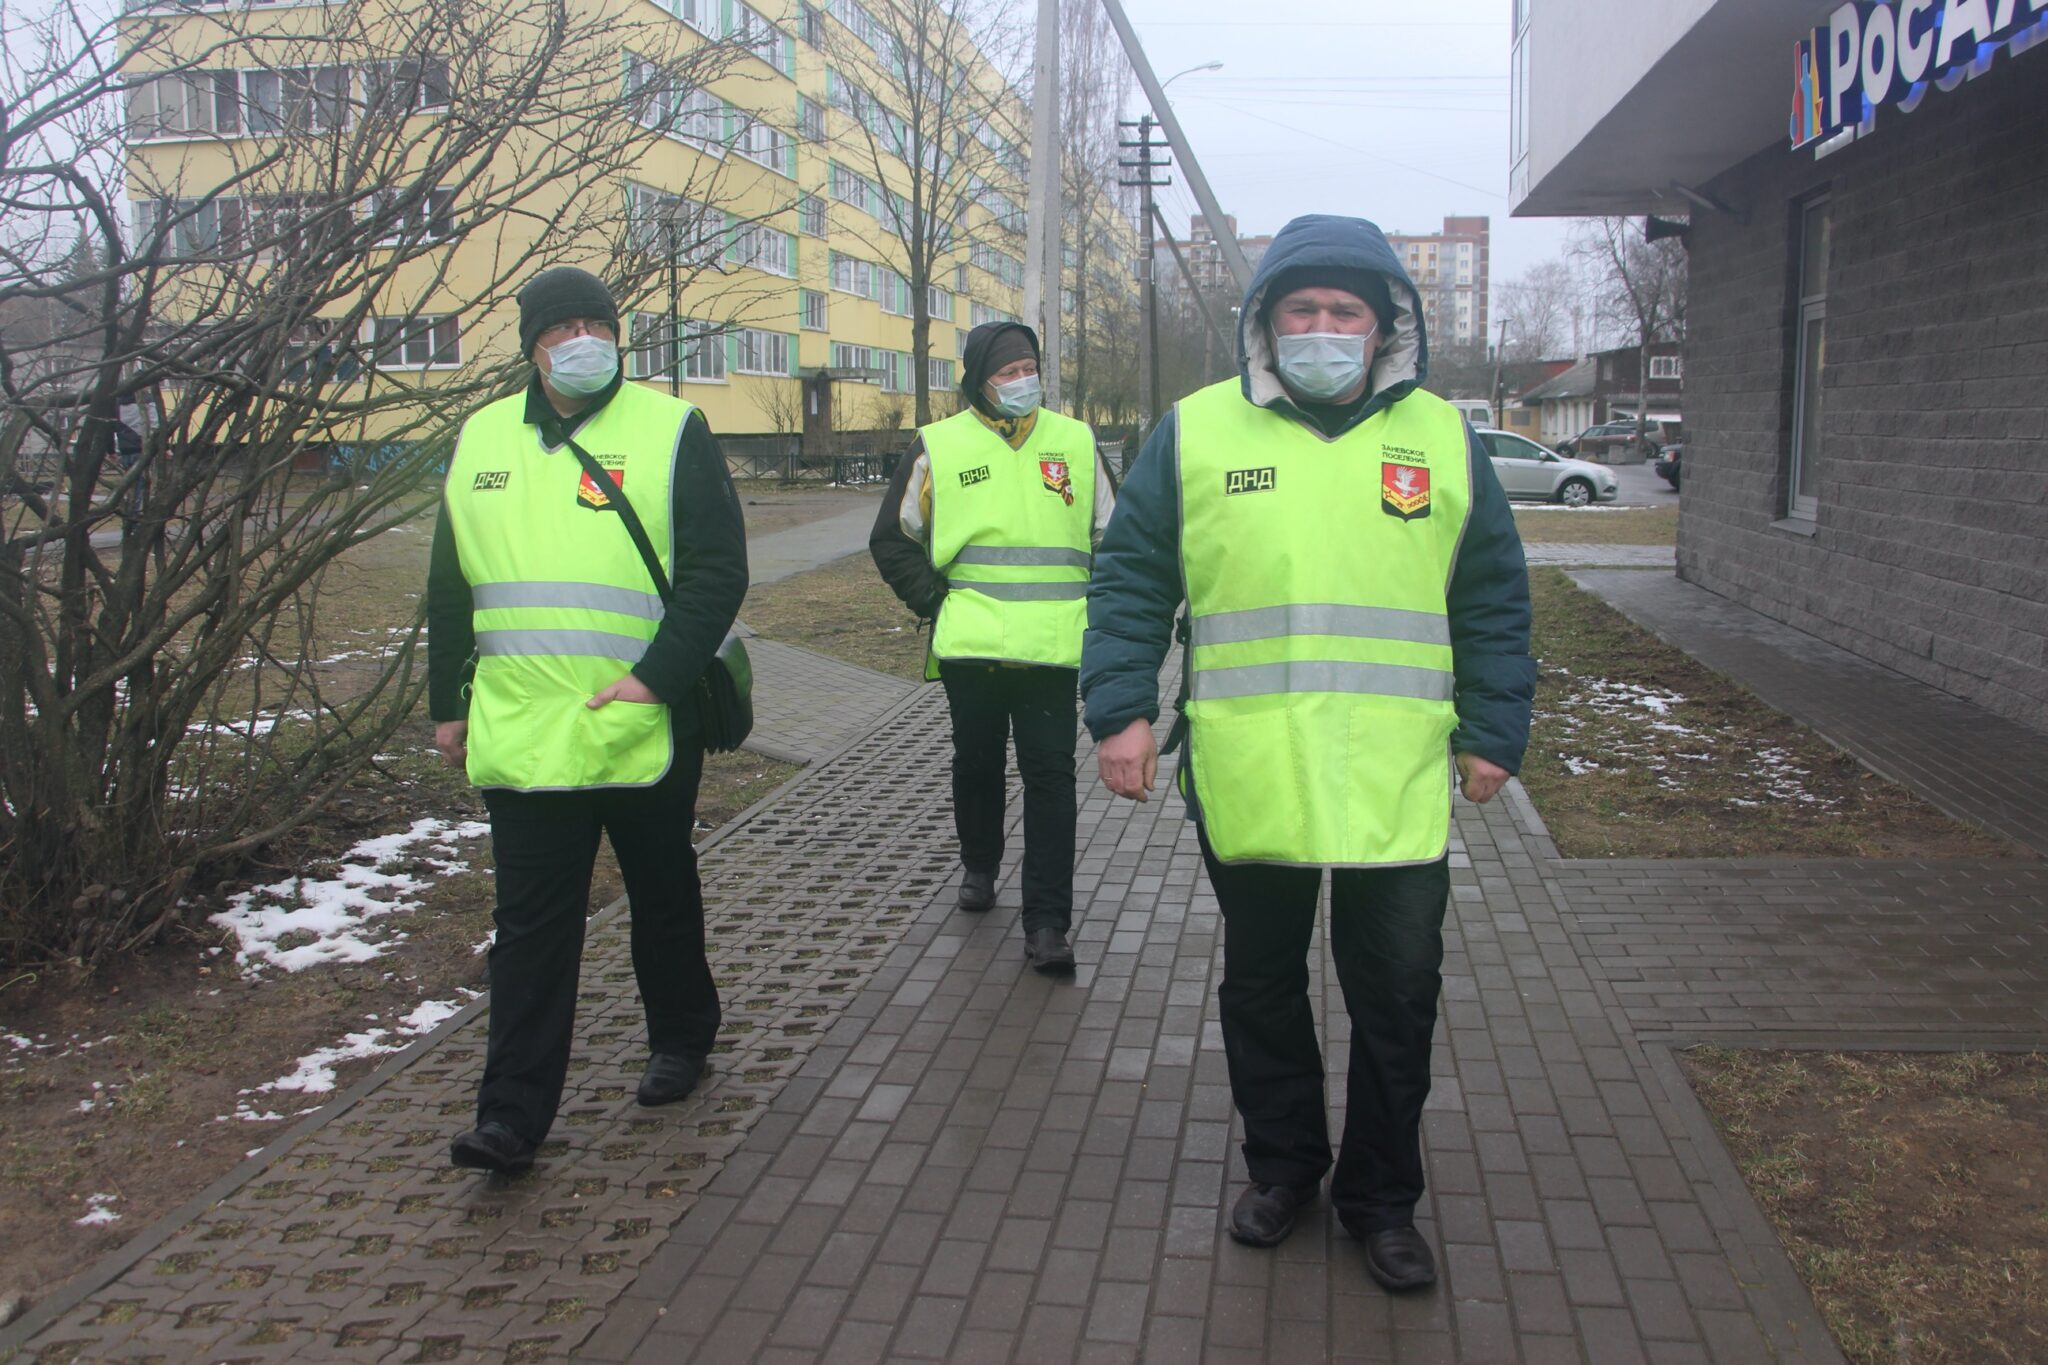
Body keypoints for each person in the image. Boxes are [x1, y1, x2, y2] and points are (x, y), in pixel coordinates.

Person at [1080, 215, 1534, 1291]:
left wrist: (1494, 728)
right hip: (1252, 770)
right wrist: (1118, 713)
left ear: (1383, 326)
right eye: (1302, 311)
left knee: (1396, 994)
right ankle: (1282, 1166)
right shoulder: (1195, 432)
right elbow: (1132, 579)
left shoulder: (1441, 436)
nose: (1323, 329)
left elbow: (1491, 598)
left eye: (1345, 313)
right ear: (1265, 322)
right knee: (1260, 985)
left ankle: (1380, 1198)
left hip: (1395, 775)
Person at [426, 266, 748, 1174]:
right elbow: (452, 583)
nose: (582, 339)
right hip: (525, 730)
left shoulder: (671, 427)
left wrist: (656, 679)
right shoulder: (483, 437)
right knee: (531, 927)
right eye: (562, 326)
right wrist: (446, 703)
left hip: (640, 721)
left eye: (596, 323)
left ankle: (682, 1037)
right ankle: (510, 1118)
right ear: (530, 343)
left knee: (661, 888)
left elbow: (717, 572)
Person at [870, 321, 1117, 974]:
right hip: (971, 648)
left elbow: (1112, 542)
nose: (1021, 381)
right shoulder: (940, 445)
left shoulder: (1076, 442)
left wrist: (1104, 626)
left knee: (1051, 780)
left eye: (1029, 367)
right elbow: (892, 537)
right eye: (1008, 372)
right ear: (979, 380)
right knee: (976, 763)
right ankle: (979, 864)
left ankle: (1048, 923)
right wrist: (935, 599)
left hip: (1053, 652)